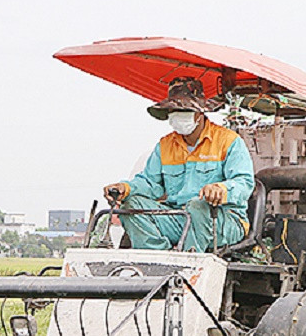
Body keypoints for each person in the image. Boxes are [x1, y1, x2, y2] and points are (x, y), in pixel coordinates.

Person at [103, 77, 255, 252]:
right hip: (177, 218)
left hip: (223, 220)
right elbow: (150, 184)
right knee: (130, 205)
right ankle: (157, 260)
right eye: (173, 110)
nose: (176, 114)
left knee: (198, 206)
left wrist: (221, 189)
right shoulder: (165, 146)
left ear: (199, 113)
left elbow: (244, 183)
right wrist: (125, 188)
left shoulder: (229, 141)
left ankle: (189, 263)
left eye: (182, 109)